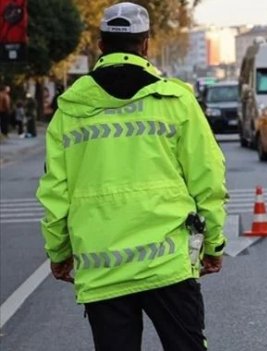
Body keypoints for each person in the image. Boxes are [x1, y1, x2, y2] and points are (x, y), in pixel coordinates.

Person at [36, 3, 227, 351]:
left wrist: (59, 251)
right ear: (146, 44)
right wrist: (213, 243)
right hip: (168, 265)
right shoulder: (175, 100)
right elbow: (208, 179)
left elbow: (55, 193)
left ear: (100, 45)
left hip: (103, 270)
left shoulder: (69, 109)